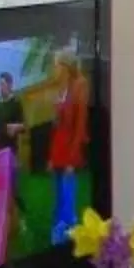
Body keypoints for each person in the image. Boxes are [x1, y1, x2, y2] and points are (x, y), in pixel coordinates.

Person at [46, 56, 90, 237]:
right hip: (58, 148)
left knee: (67, 191)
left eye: (57, 65)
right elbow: (56, 128)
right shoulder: (60, 89)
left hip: (70, 148)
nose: (54, 69)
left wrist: (72, 159)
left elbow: (80, 125)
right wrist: (51, 157)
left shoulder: (79, 85)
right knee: (57, 192)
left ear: (65, 66)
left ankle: (69, 228)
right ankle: (58, 229)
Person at [0, 70, 27, 167]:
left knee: (11, 179)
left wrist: (15, 127)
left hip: (11, 149)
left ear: (10, 85)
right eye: (0, 85)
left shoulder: (16, 103)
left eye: (3, 84)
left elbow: (23, 126)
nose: (1, 87)